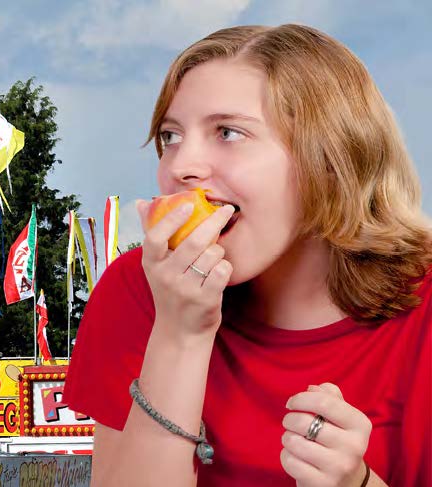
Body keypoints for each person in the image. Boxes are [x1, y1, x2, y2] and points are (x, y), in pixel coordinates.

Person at [62, 24, 431, 487]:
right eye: (171, 136)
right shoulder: (137, 289)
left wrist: (358, 483)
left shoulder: (424, 308)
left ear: (330, 161)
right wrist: (179, 333)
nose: (180, 167)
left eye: (228, 132)